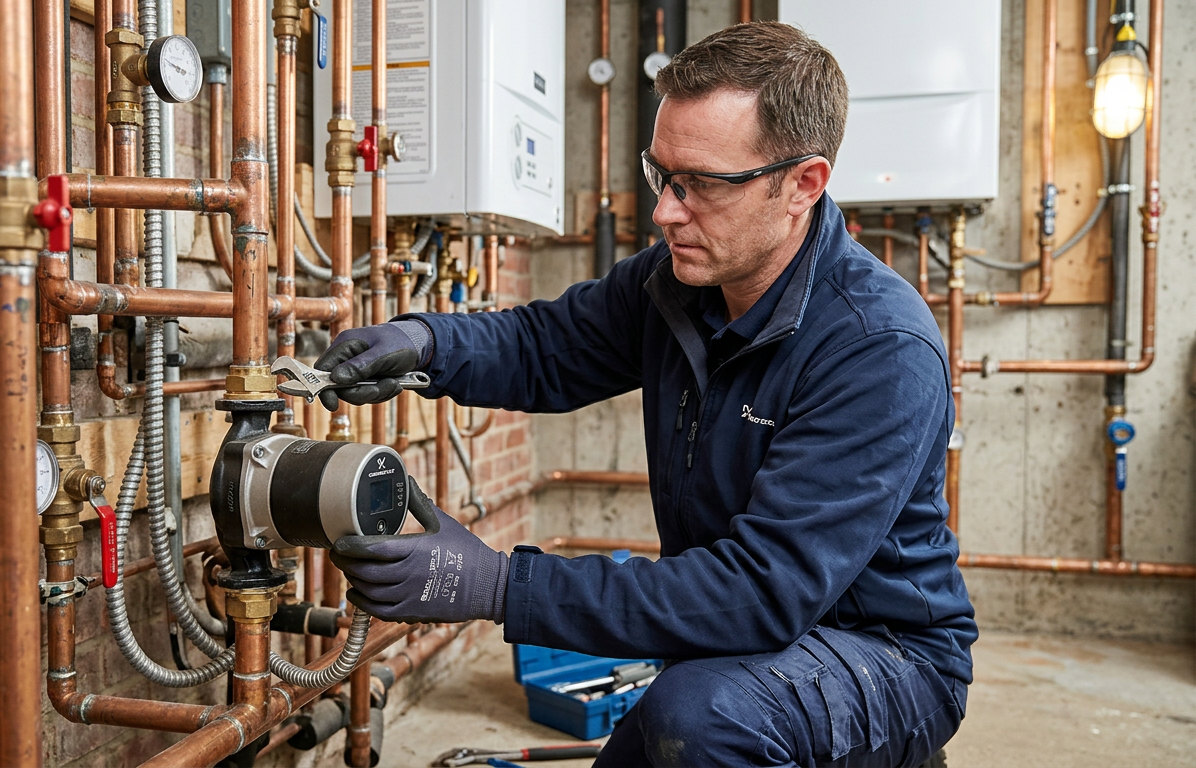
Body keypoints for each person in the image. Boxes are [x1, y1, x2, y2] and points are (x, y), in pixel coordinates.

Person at [319, 21, 975, 768]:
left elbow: (762, 590)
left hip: (884, 655)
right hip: (745, 640)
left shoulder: (877, 348)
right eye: (663, 173)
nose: (665, 210)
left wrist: (500, 585)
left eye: (700, 184)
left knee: (696, 723)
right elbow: (546, 347)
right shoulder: (676, 284)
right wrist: (425, 344)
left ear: (803, 184)